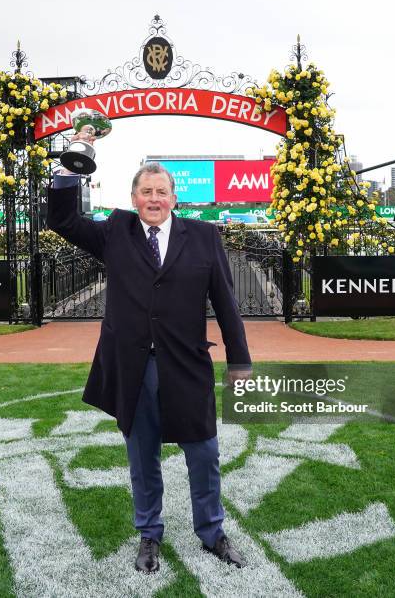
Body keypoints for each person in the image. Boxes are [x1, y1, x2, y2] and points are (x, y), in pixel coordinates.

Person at [47, 147, 251, 574]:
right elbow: (62, 220)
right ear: (134, 197)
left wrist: (240, 361)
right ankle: (149, 534)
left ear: (175, 198)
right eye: (146, 192)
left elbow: (226, 304)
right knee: (142, 456)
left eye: (161, 191)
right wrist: (70, 167)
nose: (154, 199)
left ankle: (212, 532)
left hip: (187, 364)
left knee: (204, 453)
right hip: (133, 366)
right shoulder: (115, 231)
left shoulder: (204, 236)